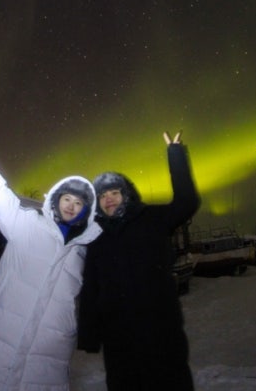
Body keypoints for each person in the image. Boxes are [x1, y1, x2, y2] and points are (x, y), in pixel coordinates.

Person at [0, 134, 102, 391]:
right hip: (5, 336)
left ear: (85, 211)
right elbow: (1, 197)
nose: (71, 205)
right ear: (57, 200)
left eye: (78, 203)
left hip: (48, 351)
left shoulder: (82, 252)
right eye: (67, 199)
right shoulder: (28, 225)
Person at [77, 131, 200, 391]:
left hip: (160, 329)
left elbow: (187, 202)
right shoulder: (97, 236)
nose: (108, 199)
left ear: (125, 194)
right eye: (102, 196)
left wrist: (176, 155)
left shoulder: (152, 219)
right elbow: (91, 286)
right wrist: (88, 330)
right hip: (118, 339)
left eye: (113, 192)